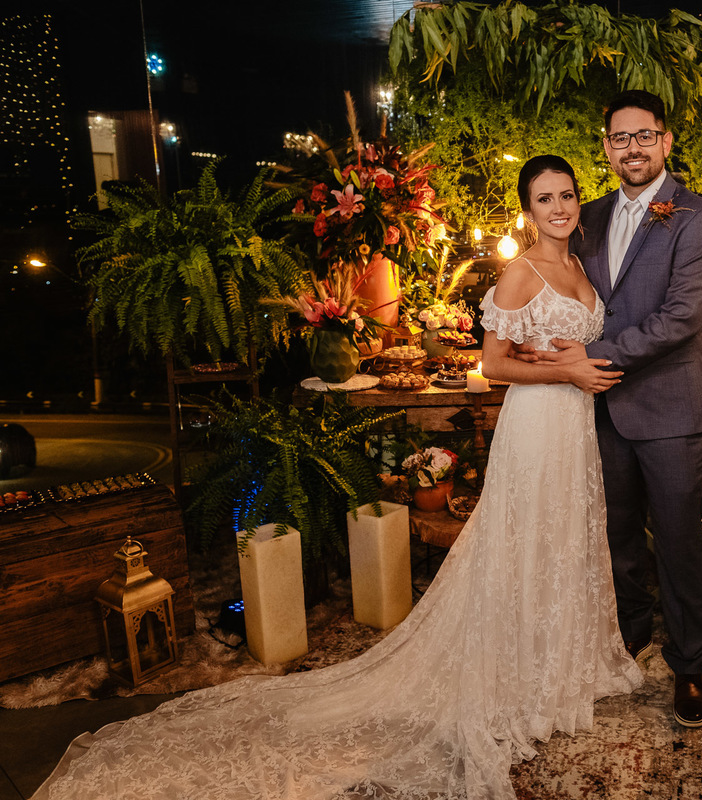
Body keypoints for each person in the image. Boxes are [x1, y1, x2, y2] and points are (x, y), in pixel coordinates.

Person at [32, 155, 640, 800]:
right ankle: (518, 679)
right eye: (544, 198)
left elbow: (549, 347)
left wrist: (565, 362)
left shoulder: (578, 266)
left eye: (567, 195)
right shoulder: (520, 272)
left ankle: (563, 664)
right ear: (527, 209)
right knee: (524, 541)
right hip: (537, 426)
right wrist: (564, 371)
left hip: (576, 429)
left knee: (566, 538)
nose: (559, 207)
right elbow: (494, 365)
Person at [519, 91, 702, 727]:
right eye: (619, 138)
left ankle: (689, 667)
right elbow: (563, 287)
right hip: (598, 413)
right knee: (615, 540)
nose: (632, 147)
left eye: (644, 136)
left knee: (678, 544)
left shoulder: (700, 219)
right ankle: (627, 639)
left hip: (667, 411)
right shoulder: (592, 215)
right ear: (606, 147)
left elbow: (678, 320)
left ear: (665, 141)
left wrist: (587, 357)